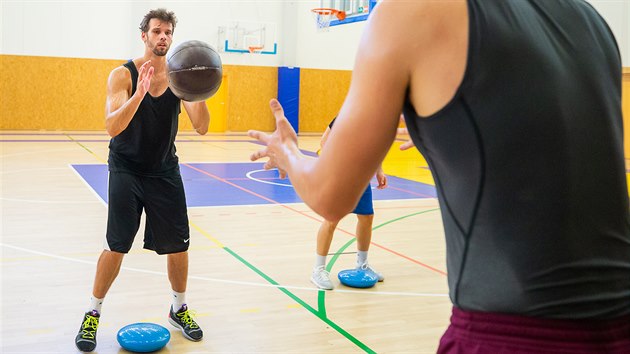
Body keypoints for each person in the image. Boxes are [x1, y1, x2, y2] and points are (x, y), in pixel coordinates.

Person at [248, 0, 630, 352]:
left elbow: (329, 196)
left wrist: (287, 153)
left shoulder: (409, 12)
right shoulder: (591, 21)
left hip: (510, 335)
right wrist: (447, 131)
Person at [75, 8, 209, 352]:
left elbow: (202, 125)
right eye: (157, 31)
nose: (163, 37)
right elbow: (112, 126)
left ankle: (179, 309)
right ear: (144, 36)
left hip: (164, 170)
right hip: (126, 169)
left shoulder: (180, 78)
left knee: (179, 245)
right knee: (117, 244)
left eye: (168, 32)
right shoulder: (122, 75)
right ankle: (93, 312)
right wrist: (139, 94)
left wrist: (202, 88)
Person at [311, 117, 388, 290]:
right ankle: (318, 269)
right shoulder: (348, 113)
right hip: (340, 175)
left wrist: (379, 170)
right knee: (332, 220)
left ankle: (362, 264)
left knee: (367, 217)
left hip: (362, 177)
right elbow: (325, 142)